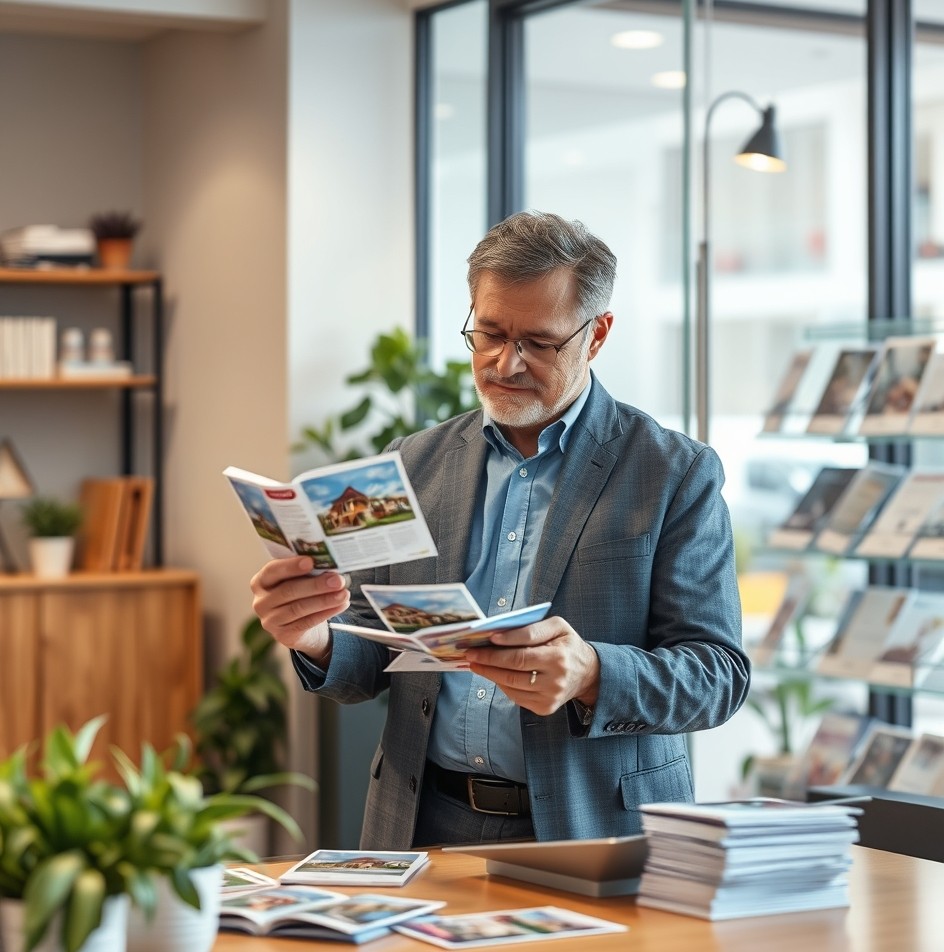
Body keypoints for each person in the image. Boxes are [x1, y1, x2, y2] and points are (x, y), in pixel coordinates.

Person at [250, 210, 750, 850]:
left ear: (596, 335)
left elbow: (718, 675)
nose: (505, 363)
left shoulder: (672, 473)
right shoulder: (414, 463)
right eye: (488, 334)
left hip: (593, 828)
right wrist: (316, 635)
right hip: (420, 825)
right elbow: (371, 660)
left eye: (539, 343)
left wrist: (593, 672)